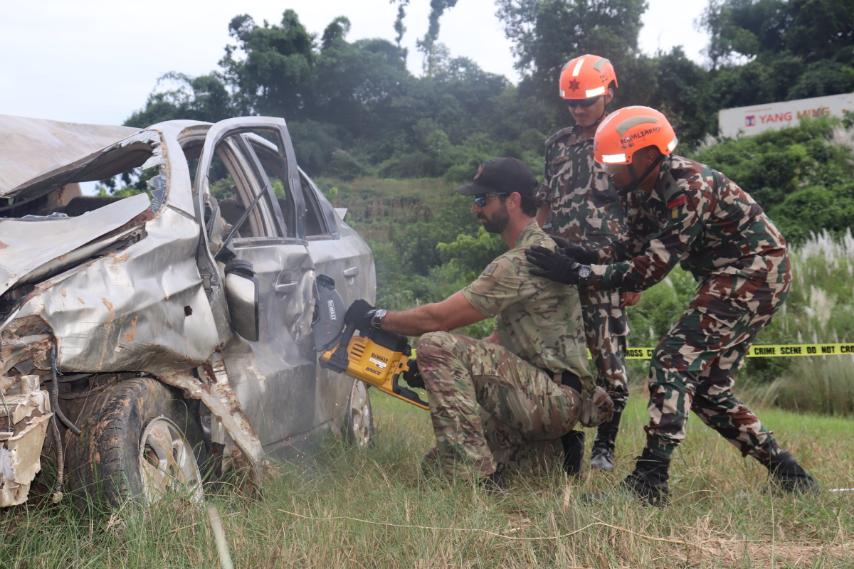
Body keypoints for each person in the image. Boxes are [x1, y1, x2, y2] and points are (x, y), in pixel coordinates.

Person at [526, 106, 817, 505]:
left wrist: (578, 272)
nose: (608, 171)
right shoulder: (636, 191)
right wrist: (577, 252)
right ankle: (791, 475)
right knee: (708, 392)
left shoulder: (689, 186)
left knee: (672, 361)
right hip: (727, 275)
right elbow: (628, 248)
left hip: (756, 271)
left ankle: (649, 482)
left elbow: (649, 269)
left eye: (616, 161)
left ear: (647, 155)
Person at [346, 157, 612, 487]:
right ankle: (555, 453)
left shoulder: (524, 260)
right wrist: (433, 370)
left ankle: (470, 478)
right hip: (546, 395)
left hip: (551, 397)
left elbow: (439, 318)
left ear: (513, 200)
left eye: (482, 199)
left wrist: (376, 317)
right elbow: (501, 340)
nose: (475, 209)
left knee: (434, 343)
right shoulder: (541, 251)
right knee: (432, 468)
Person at [538, 54, 633, 472]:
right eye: (571, 103)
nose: (578, 110)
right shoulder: (556, 144)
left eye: (587, 102)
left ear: (609, 93)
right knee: (553, 354)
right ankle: (564, 440)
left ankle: (605, 446)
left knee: (608, 357)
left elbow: (638, 208)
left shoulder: (625, 137)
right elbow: (545, 202)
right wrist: (533, 246)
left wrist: (635, 275)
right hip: (558, 268)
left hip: (605, 268)